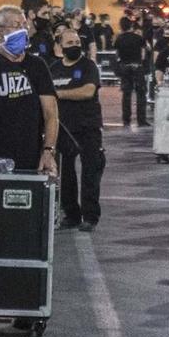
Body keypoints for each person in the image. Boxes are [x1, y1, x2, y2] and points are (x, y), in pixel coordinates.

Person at [0, 5, 60, 177]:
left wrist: (48, 150)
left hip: (31, 157)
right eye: (17, 25)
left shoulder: (37, 65)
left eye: (25, 25)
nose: (24, 30)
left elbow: (51, 113)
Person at [51, 23, 107, 230]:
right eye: (70, 43)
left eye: (77, 42)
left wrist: (61, 94)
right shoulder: (54, 69)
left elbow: (88, 91)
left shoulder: (88, 66)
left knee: (91, 172)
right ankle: (71, 214)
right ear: (60, 46)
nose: (74, 45)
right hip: (64, 128)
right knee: (66, 174)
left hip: (88, 127)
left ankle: (90, 217)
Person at [112, 16, 149, 126]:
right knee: (141, 94)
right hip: (137, 66)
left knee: (126, 94)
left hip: (124, 66)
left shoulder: (119, 38)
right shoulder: (138, 37)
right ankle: (141, 120)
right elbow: (147, 48)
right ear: (131, 26)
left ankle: (126, 120)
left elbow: (116, 52)